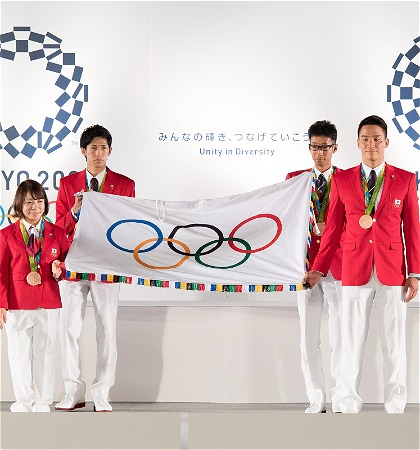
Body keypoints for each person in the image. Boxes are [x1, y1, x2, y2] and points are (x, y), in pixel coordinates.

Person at [305, 115, 420, 414]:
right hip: (354, 269)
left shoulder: (405, 179)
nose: (371, 145)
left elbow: (413, 229)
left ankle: (395, 405)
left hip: (393, 271)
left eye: (376, 139)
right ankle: (347, 402)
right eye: (365, 139)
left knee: (393, 343)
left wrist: (414, 273)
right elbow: (332, 229)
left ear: (386, 142)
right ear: (357, 143)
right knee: (350, 341)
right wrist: (318, 268)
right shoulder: (342, 180)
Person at [55, 124, 135, 412]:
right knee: (69, 329)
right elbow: (58, 227)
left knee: (107, 329)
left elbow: (129, 226)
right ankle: (73, 391)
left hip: (106, 264)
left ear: (110, 151)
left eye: (103, 148)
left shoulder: (125, 185)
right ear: (83, 151)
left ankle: (102, 392)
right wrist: (74, 211)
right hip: (74, 263)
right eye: (93, 148)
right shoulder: (68, 184)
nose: (98, 153)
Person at [286, 120, 344, 413]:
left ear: (335, 147)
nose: (320, 153)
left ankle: (341, 396)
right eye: (315, 147)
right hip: (305, 267)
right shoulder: (294, 180)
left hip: (338, 265)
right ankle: (316, 397)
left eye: (325, 147)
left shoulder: (348, 179)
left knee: (341, 336)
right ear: (309, 147)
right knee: (308, 336)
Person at [0, 180, 68, 412]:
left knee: (46, 352)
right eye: (29, 202)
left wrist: (60, 270)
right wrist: (1, 304)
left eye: (39, 201)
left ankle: (42, 401)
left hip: (48, 301)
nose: (35, 207)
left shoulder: (58, 233)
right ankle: (23, 400)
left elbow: (67, 264)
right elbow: (1, 272)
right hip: (17, 303)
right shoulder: (6, 235)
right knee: (18, 353)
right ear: (19, 204)